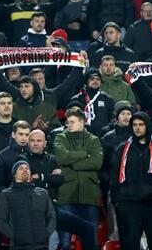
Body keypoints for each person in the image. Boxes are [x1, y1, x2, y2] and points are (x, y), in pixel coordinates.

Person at [110, 111, 152, 250]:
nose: (137, 128)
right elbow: (115, 176)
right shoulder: (123, 149)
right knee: (128, 246)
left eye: (141, 124)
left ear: (147, 126)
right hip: (128, 205)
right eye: (134, 125)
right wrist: (117, 202)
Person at [53, 107, 102, 250]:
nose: (69, 125)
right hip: (66, 196)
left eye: (73, 122)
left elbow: (97, 162)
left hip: (89, 195)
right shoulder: (60, 137)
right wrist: (85, 155)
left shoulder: (93, 140)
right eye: (68, 122)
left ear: (82, 122)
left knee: (91, 241)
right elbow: (63, 156)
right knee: (65, 242)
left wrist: (72, 164)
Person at [0, 160, 56, 250]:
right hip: (18, 246)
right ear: (14, 175)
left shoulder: (43, 193)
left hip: (41, 246)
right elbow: (1, 220)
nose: (25, 170)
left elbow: (51, 216)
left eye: (27, 168)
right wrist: (15, 237)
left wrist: (45, 234)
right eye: (21, 168)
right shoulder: (6, 194)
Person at [0, 120, 31, 196]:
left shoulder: (33, 152)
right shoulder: (3, 155)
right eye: (21, 134)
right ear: (13, 134)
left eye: (27, 135)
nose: (24, 138)